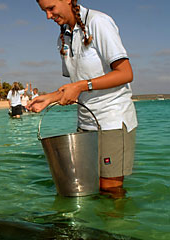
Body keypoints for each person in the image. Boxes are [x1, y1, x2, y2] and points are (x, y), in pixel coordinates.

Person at [28, 0, 138, 196]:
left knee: (109, 190)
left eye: (51, 8)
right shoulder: (63, 37)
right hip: (86, 124)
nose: (48, 16)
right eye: (43, 11)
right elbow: (74, 84)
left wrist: (81, 86)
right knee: (87, 188)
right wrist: (49, 99)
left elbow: (125, 73)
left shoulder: (98, 22)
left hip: (112, 120)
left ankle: (115, 226)